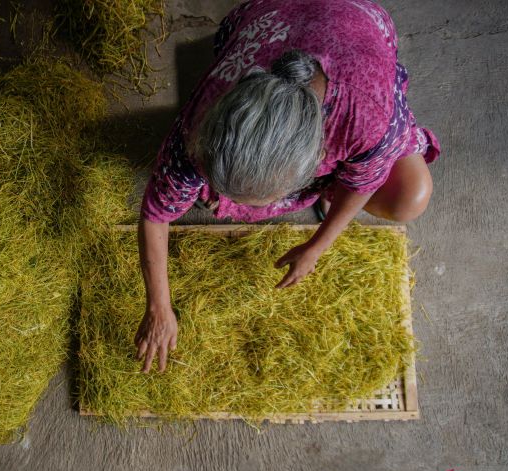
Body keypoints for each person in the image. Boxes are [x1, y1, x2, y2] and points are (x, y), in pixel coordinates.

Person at [134, 0, 440, 373]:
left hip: (351, 21)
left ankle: (323, 191)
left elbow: (364, 183)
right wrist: (159, 307)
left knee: (410, 198)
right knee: (194, 189)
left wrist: (317, 246)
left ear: (316, 159)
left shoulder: (366, 114)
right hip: (273, 14)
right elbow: (156, 212)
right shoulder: (205, 118)